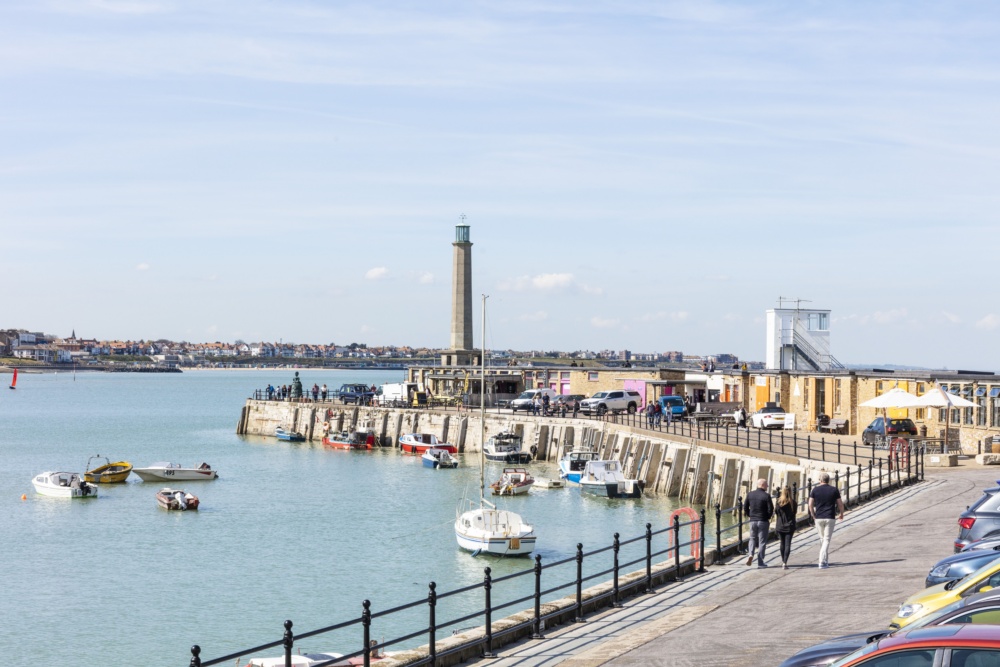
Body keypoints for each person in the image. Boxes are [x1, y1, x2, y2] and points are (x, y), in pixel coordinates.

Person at [808, 472, 845, 569]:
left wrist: (813, 514)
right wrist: (841, 514)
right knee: (827, 540)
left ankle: (825, 560)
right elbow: (840, 504)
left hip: (819, 517)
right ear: (828, 480)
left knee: (822, 539)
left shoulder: (815, 490)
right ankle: (822, 561)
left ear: (820, 480)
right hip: (830, 517)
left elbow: (810, 504)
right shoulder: (834, 490)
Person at [743, 478, 774, 568]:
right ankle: (760, 562)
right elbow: (770, 509)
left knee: (752, 538)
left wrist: (750, 515)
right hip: (763, 521)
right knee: (762, 541)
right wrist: (767, 517)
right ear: (762, 485)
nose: (768, 486)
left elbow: (745, 507)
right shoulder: (766, 496)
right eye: (766, 484)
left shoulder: (750, 494)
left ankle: (750, 554)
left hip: (753, 520)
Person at [775, 486, 797, 569]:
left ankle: (782, 560)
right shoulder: (793, 503)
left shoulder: (779, 502)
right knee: (788, 544)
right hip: (790, 525)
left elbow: (776, 512)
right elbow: (794, 513)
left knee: (782, 543)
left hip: (780, 525)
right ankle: (785, 562)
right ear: (790, 492)